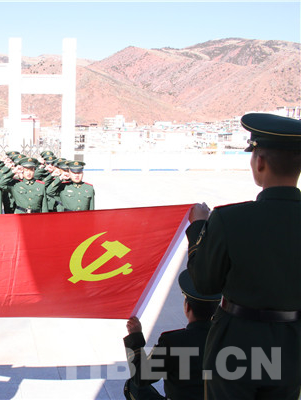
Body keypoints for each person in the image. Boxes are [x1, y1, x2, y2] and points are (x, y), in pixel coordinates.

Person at [186, 113, 301, 399]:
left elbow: (205, 283)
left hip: (237, 342)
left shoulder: (230, 219)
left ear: (259, 162)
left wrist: (199, 227)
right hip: (293, 344)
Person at [123, 270, 221, 400]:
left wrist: (135, 338)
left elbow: (141, 377)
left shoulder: (173, 342)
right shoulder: (230, 339)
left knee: (132, 386)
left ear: (187, 307)